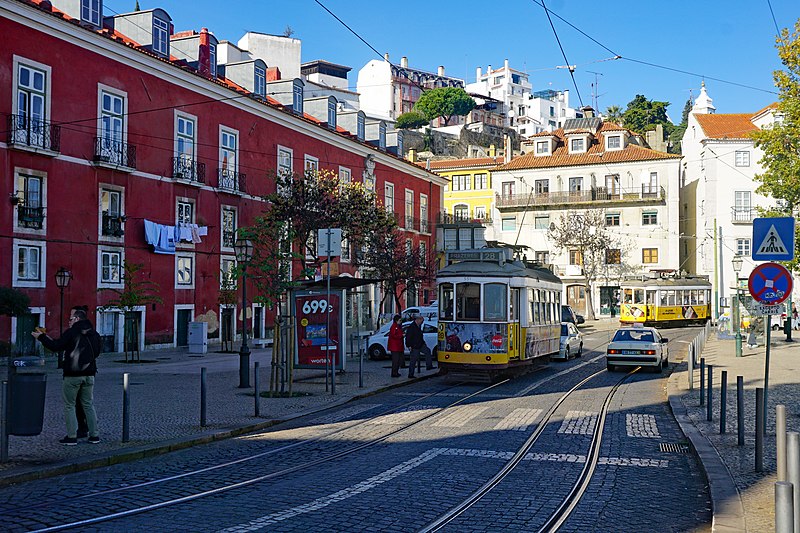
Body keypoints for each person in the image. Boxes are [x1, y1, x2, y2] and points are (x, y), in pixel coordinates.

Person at [32, 307, 101, 445]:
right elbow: (98, 352)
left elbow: (56, 346)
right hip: (90, 374)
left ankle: (72, 436)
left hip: (73, 375)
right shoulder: (95, 334)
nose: (69, 322)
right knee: (88, 404)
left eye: (70, 319)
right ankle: (94, 436)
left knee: (69, 405)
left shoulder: (71, 332)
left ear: (77, 319)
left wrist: (41, 337)